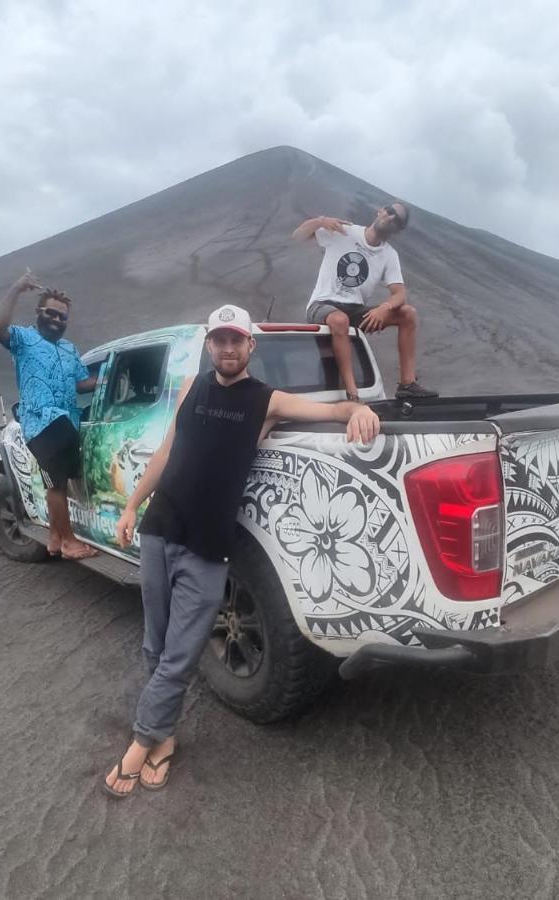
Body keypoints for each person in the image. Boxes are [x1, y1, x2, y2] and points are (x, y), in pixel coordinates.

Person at [101, 303, 382, 798]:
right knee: (155, 643)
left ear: (251, 346)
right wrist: (130, 508)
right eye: (220, 340)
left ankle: (140, 742)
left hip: (208, 547)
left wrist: (358, 407)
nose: (228, 348)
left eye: (237, 340)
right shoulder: (191, 388)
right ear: (210, 345)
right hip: (159, 529)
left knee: (181, 653)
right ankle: (164, 738)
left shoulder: (265, 400)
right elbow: (167, 454)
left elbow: (331, 410)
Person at [0, 268, 98, 560]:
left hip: (67, 423)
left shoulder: (69, 349)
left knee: (58, 481)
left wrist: (109, 376)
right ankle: (69, 542)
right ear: (39, 313)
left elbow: (80, 382)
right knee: (57, 483)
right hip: (41, 422)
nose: (56, 319)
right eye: (51, 313)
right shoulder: (23, 339)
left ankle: (53, 537)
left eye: (62, 316)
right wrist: (16, 287)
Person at [293, 201, 438, 402]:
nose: (391, 217)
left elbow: (399, 294)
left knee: (408, 314)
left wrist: (384, 308)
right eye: (390, 211)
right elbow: (298, 236)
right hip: (322, 304)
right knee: (339, 320)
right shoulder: (346, 231)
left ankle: (407, 384)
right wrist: (320, 221)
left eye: (398, 219)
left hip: (354, 310)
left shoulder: (389, 255)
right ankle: (352, 394)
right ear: (380, 211)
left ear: (398, 230)